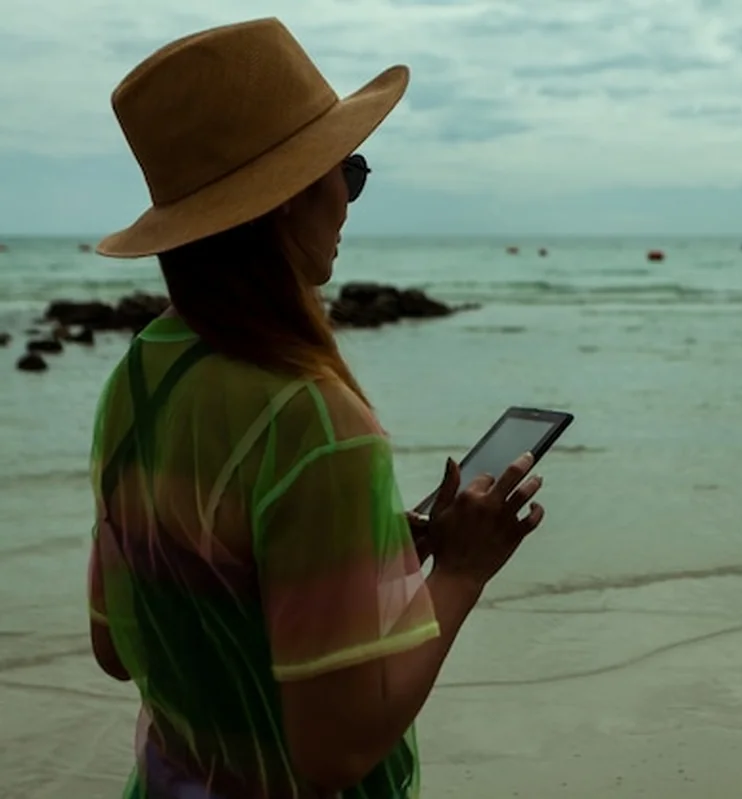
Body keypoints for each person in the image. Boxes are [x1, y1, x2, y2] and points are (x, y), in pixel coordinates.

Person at [85, 17, 545, 798]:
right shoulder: (318, 421)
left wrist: (342, 559)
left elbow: (117, 644)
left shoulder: (137, 377)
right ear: (289, 202)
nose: (349, 199)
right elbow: (335, 752)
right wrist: (463, 570)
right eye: (349, 171)